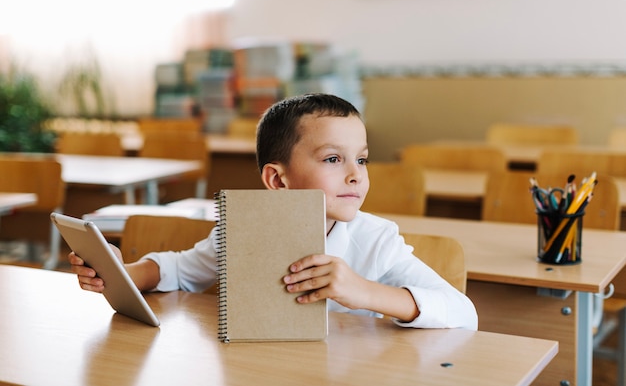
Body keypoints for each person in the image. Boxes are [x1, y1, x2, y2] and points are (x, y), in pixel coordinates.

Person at [70, 93, 478, 330]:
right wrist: (122, 273)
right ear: (278, 180)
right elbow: (180, 270)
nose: (356, 175)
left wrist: (364, 292)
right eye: (334, 160)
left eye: (363, 159)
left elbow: (464, 313)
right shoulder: (244, 230)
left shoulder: (376, 241)